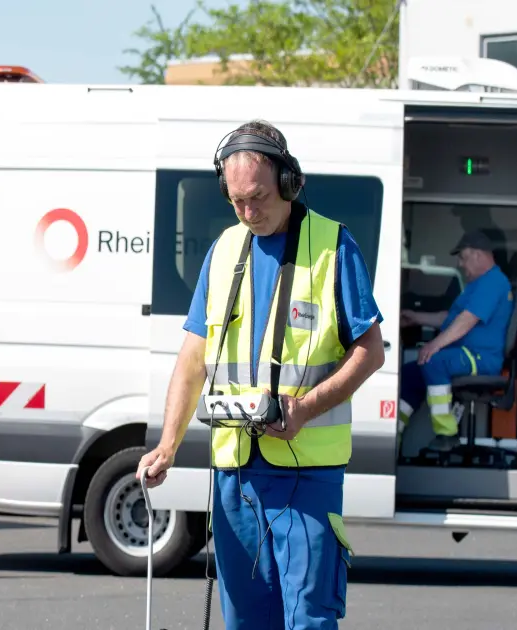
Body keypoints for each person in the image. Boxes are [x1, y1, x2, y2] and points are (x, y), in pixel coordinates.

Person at [135, 120, 385, 630]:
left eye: (259, 198)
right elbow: (192, 357)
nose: (249, 213)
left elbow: (371, 351)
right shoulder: (224, 250)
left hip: (307, 476)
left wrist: (306, 408)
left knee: (308, 619)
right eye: (236, 202)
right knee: (245, 621)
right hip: (234, 474)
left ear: (290, 183)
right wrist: (168, 444)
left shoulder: (335, 246)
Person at [399, 230, 513, 452]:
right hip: (464, 354)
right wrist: (414, 317)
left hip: (481, 357)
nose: (460, 264)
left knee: (433, 361)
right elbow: (449, 318)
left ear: (478, 255)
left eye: (463, 257)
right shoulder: (476, 285)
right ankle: (393, 435)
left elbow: (467, 320)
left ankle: (446, 434)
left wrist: (435, 344)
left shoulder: (493, 282)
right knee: (411, 374)